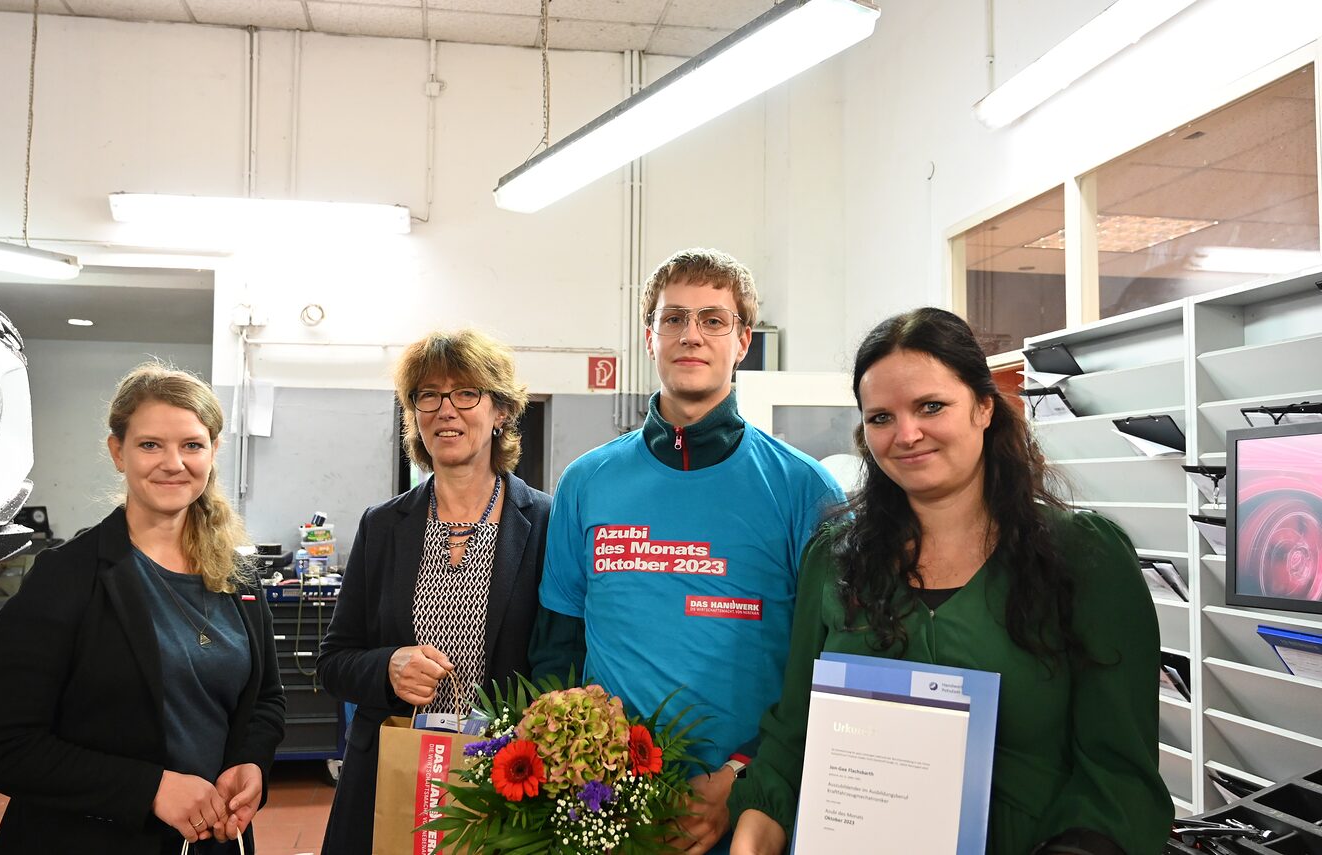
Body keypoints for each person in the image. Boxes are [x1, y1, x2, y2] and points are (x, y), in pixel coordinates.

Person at [728, 308, 1171, 855]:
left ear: (984, 407)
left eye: (930, 406)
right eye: (881, 418)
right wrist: (755, 828)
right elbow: (795, 733)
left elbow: (1119, 778)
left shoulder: (1084, 558)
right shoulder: (835, 559)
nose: (906, 434)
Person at [531, 248, 846, 855]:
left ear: (743, 341)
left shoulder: (805, 490)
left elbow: (828, 661)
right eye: (672, 318)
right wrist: (585, 770)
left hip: (752, 806)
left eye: (712, 320)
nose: (690, 335)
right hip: (609, 805)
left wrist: (746, 776)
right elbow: (558, 648)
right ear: (650, 337)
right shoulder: (587, 482)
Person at [0, 363, 285, 855]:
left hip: (212, 841)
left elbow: (265, 699)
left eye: (192, 445)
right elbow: (0, 748)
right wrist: (150, 788)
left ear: (213, 451)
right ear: (119, 452)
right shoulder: (67, 578)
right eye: (150, 444)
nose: (173, 462)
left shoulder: (238, 577)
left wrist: (251, 762)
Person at [319, 328, 553, 855]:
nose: (447, 410)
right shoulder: (383, 526)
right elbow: (334, 660)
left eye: (466, 393)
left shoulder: (545, 523)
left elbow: (561, 658)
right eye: (429, 395)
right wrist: (388, 666)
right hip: (393, 769)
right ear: (415, 416)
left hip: (505, 780)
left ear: (500, 412)